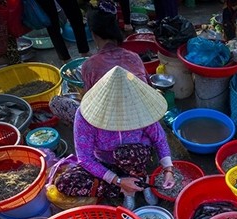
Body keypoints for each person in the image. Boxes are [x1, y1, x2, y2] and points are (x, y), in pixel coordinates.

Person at [54, 66, 175, 210]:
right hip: (104, 162)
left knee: (127, 152)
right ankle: (126, 189)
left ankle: (142, 181)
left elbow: (159, 139)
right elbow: (85, 158)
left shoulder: (141, 110)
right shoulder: (85, 115)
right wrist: (117, 180)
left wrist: (168, 169)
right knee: (64, 182)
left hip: (134, 160)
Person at [50, 0, 148, 126]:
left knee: (55, 102)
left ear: (93, 33)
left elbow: (91, 104)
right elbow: (148, 87)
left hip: (109, 122)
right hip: (140, 116)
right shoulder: (134, 57)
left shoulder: (89, 65)